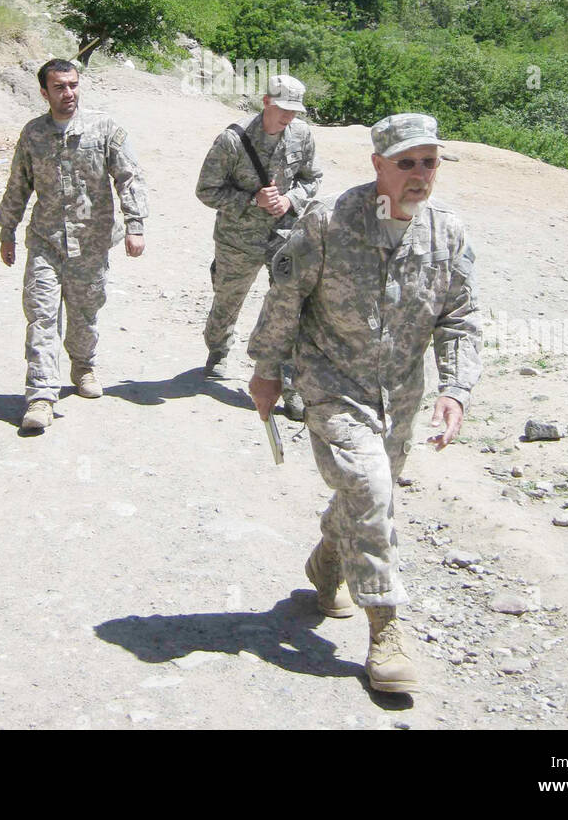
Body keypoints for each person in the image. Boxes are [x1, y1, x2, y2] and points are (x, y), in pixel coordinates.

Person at [246, 113, 482, 695]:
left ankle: (328, 563)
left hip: (399, 394)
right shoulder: (329, 220)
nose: (420, 174)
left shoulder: (446, 233)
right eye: (407, 163)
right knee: (373, 492)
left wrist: (455, 388)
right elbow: (287, 296)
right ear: (378, 165)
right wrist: (267, 369)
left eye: (429, 161)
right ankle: (386, 630)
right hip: (331, 383)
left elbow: (461, 316)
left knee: (363, 494)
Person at [0, 59, 148, 433]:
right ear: (44, 93)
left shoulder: (104, 128)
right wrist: (7, 229)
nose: (69, 94)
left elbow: (128, 178)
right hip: (46, 241)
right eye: (60, 87)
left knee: (85, 315)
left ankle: (83, 365)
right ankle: (42, 396)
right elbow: (19, 184)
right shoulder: (33, 134)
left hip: (92, 241)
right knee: (42, 316)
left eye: (73, 85)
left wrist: (135, 224)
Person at [195, 73, 321, 419]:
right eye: (283, 109)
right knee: (228, 298)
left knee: (289, 308)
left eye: (295, 111)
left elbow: (313, 179)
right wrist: (252, 200)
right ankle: (218, 350)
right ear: (266, 102)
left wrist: (291, 200)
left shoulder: (302, 135)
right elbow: (206, 190)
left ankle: (292, 385)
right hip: (238, 239)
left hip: (284, 237)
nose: (289, 117)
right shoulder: (232, 141)